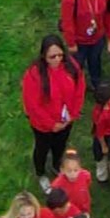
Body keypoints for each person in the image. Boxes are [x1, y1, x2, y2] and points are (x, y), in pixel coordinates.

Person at [22, 39, 86, 183]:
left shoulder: (71, 67)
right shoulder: (34, 75)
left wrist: (73, 114)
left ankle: (56, 165)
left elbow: (79, 89)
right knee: (42, 149)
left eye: (60, 55)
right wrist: (51, 124)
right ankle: (41, 173)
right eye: (52, 57)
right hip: (43, 126)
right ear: (44, 56)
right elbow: (32, 105)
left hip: (66, 120)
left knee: (60, 145)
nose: (58, 59)